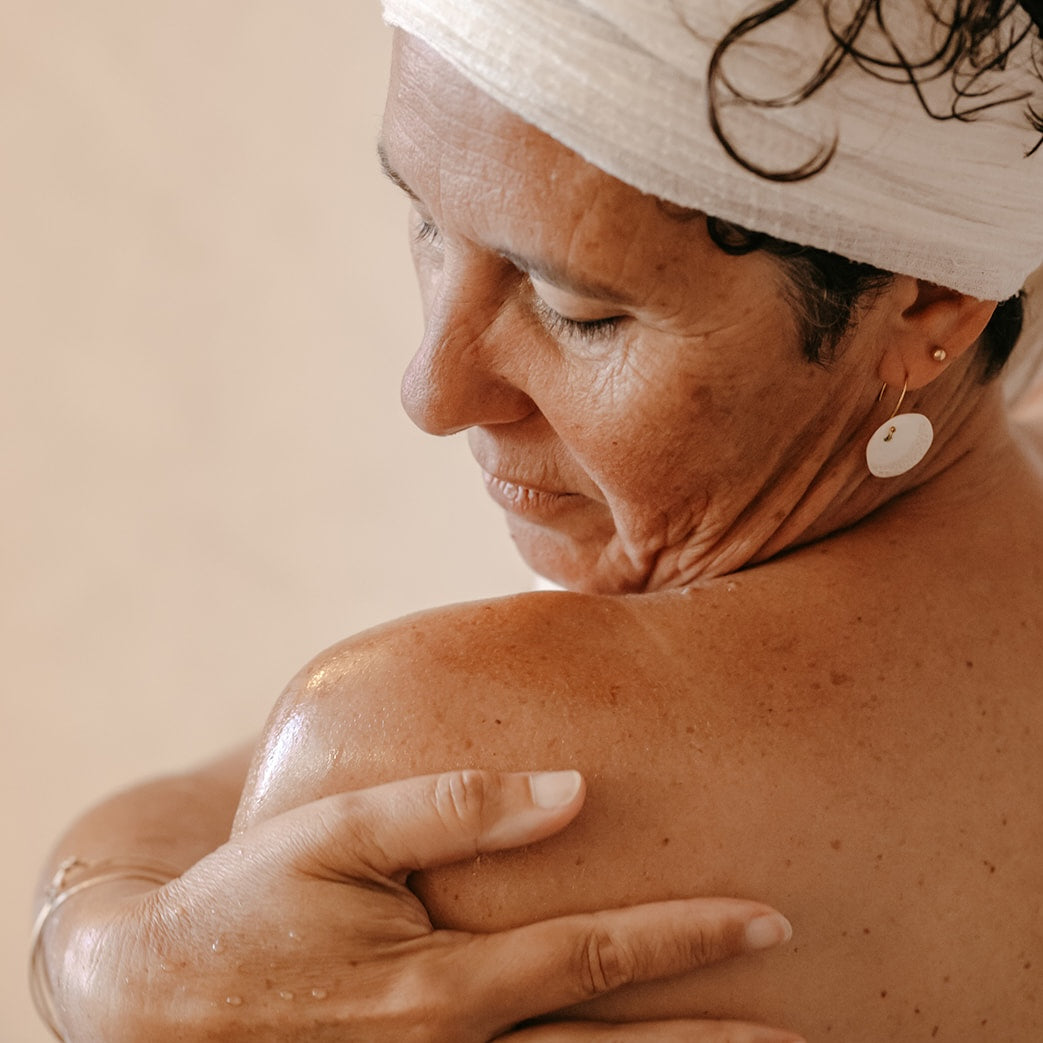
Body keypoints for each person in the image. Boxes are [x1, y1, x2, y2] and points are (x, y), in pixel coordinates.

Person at [32, 1, 1043, 1040]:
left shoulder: (426, 742)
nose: (431, 390)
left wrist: (103, 958)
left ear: (927, 300)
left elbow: (219, 806)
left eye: (577, 309)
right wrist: (103, 954)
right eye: (425, 217)